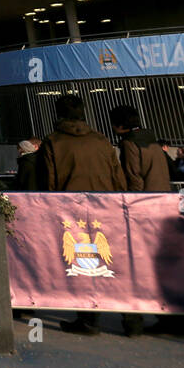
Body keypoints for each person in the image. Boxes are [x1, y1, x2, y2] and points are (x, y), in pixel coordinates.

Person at [38, 94, 126, 336]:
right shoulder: (101, 140)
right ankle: (132, 320)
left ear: (58, 114)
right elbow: (117, 178)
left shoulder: (53, 142)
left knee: (82, 265)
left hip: (70, 212)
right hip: (105, 209)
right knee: (116, 263)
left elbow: (49, 183)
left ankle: (88, 320)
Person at [109, 105, 169, 192]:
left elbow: (134, 178)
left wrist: (133, 200)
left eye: (112, 124)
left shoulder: (129, 144)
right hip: (163, 195)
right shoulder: (151, 139)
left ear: (120, 126)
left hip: (145, 200)